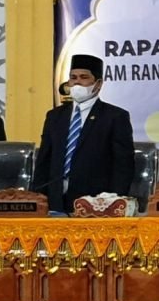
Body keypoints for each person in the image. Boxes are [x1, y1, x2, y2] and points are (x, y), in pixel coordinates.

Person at [32, 54, 135, 213]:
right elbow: (44, 161)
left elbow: (123, 166)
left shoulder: (115, 117)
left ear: (98, 84)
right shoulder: (54, 116)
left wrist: (113, 203)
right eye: (73, 77)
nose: (77, 82)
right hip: (55, 203)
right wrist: (37, 198)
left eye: (84, 77)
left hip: (96, 204)